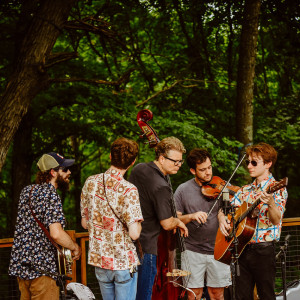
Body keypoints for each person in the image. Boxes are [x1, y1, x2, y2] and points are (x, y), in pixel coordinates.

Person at [218, 142, 288, 300]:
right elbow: (224, 209)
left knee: (266, 295)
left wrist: (270, 203)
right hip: (240, 249)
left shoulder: (278, 188)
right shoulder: (244, 190)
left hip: (263, 250)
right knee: (241, 296)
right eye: (248, 162)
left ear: (268, 164)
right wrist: (222, 218)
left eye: (254, 162)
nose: (249, 166)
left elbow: (276, 220)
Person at [8, 152, 81, 300]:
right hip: (42, 271)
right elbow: (56, 233)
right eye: (65, 169)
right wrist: (74, 247)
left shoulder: (26, 192)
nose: (69, 172)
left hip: (22, 268)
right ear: (53, 172)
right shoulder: (51, 194)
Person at [80, 137, 143, 300]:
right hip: (123, 261)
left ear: (110, 156)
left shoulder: (90, 182)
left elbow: (84, 223)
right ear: (133, 162)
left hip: (100, 260)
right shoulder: (129, 190)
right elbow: (135, 234)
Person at [129, 136, 189, 300]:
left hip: (130, 243)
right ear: (162, 158)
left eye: (180, 161)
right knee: (145, 295)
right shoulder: (161, 186)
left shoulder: (139, 169)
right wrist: (178, 221)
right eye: (174, 161)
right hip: (148, 246)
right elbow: (167, 223)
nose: (178, 165)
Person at [174, 148, 231, 300]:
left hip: (219, 249)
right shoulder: (182, 190)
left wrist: (222, 215)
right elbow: (176, 220)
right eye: (203, 169)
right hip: (192, 250)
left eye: (209, 167)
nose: (208, 173)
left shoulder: (222, 187)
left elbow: (230, 211)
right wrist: (192, 216)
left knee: (217, 294)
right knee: (194, 294)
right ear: (193, 171)